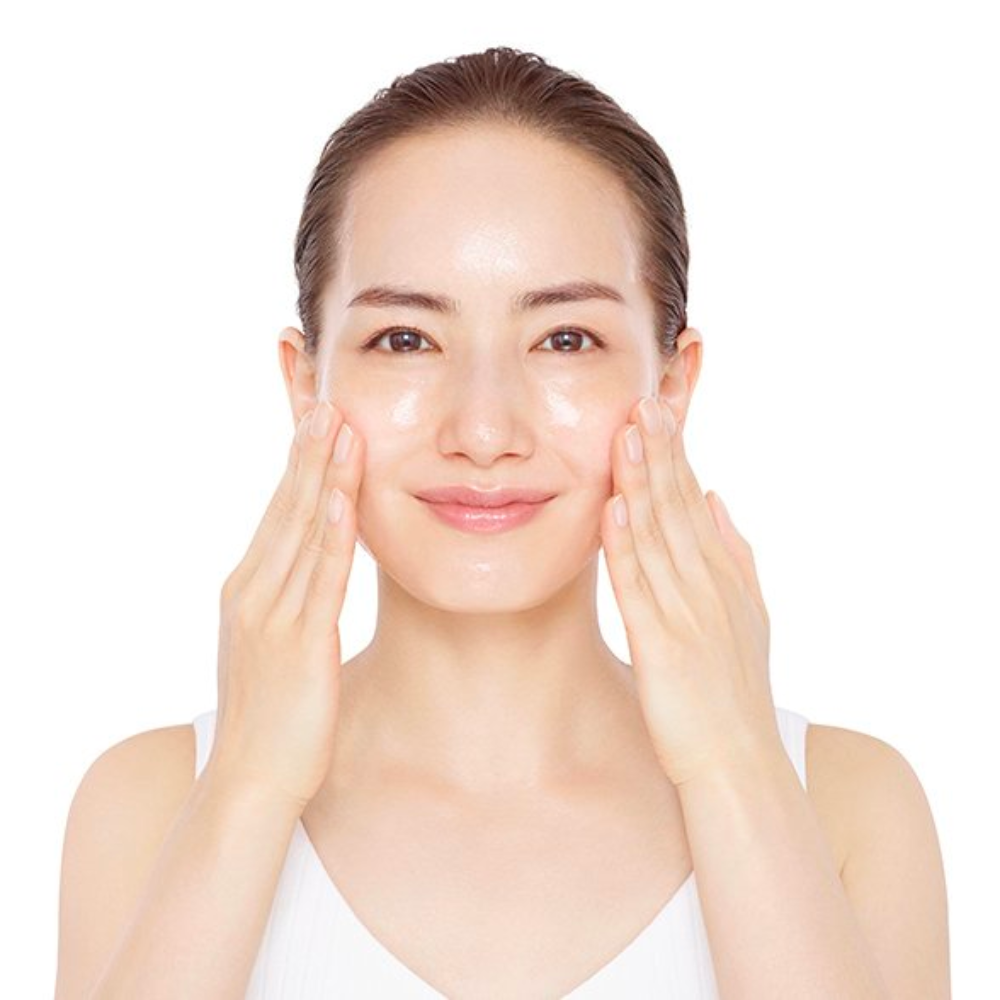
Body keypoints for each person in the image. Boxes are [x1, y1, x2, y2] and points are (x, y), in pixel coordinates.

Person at [55, 47, 950, 999]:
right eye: (405, 339)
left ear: (673, 385)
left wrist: (734, 764)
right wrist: (247, 784)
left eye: (566, 339)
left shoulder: (847, 806)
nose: (483, 432)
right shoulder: (153, 802)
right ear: (305, 384)